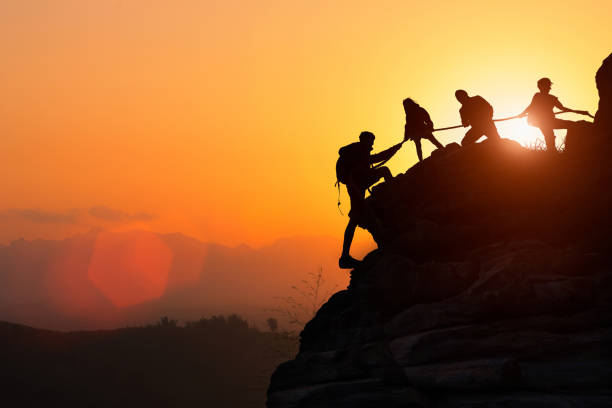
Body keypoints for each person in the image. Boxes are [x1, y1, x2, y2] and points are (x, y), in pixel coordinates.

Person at [336, 131, 402, 269]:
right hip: (357, 185)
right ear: (366, 140)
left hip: (357, 184)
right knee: (354, 219)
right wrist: (395, 149)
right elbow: (376, 159)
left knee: (355, 219)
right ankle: (344, 257)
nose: (372, 144)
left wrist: (395, 148)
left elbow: (372, 160)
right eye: (371, 141)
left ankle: (345, 256)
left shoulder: (356, 151)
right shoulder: (361, 150)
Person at [518, 77, 587, 152]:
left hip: (548, 121)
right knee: (549, 134)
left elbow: (562, 108)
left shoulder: (552, 98)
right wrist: (522, 114)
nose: (549, 88)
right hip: (540, 121)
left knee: (552, 133)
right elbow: (531, 106)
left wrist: (578, 112)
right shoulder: (538, 96)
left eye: (549, 86)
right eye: (547, 86)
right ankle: (552, 152)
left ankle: (552, 151)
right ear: (540, 87)